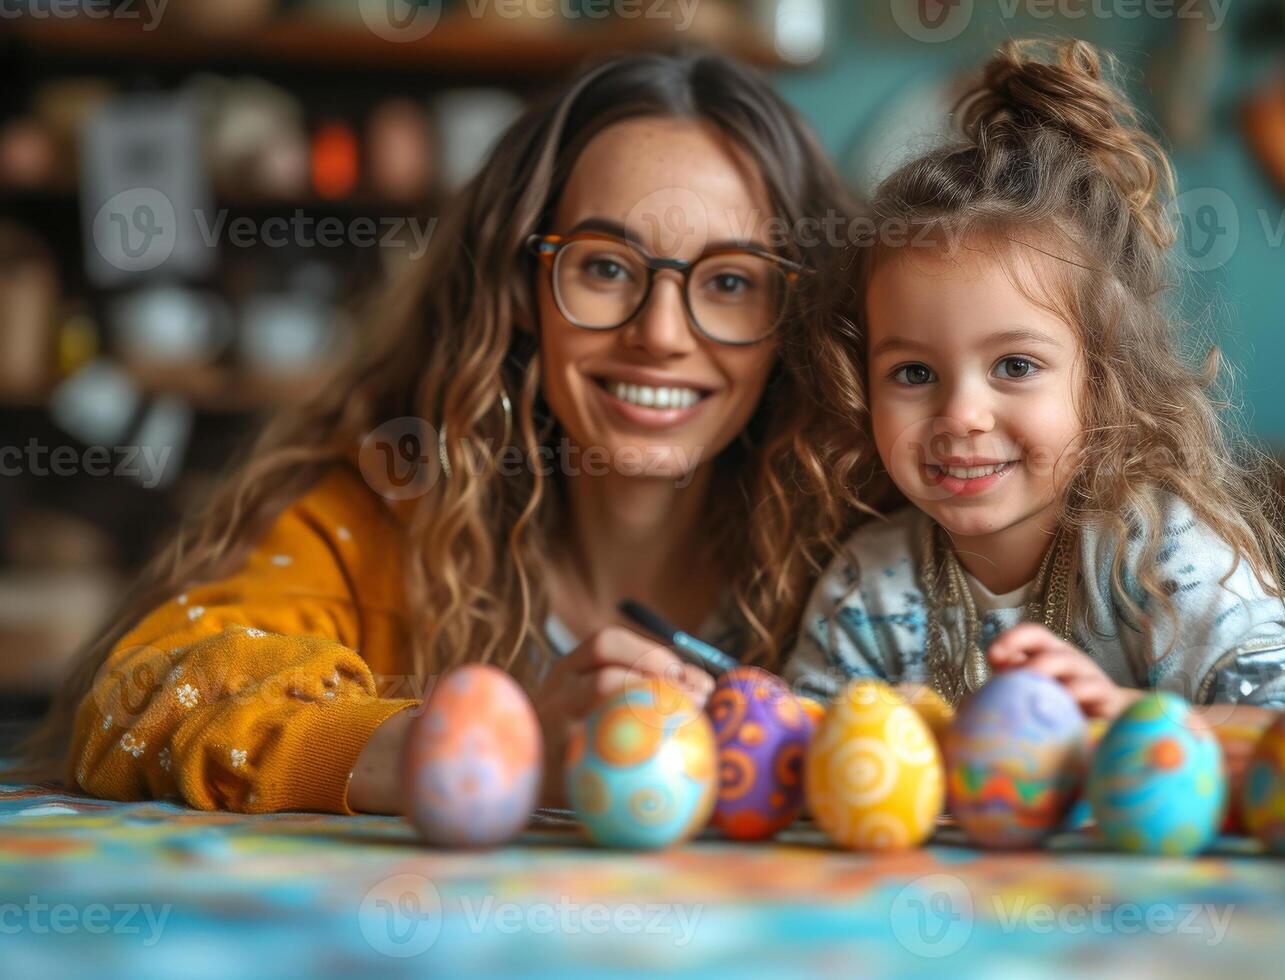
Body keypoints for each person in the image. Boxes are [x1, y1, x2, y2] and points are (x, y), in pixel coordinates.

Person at [12, 51, 858, 814]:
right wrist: (490, 748)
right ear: (519, 289)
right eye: (603, 266)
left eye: (732, 281)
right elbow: (141, 698)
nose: (662, 332)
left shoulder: (860, 537)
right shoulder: (387, 510)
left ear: (798, 313)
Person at [785, 39, 1285, 730]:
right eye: (913, 373)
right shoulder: (868, 587)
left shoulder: (1157, 552)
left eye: (1014, 367)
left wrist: (1129, 719)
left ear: (1101, 379)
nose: (962, 415)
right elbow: (798, 763)